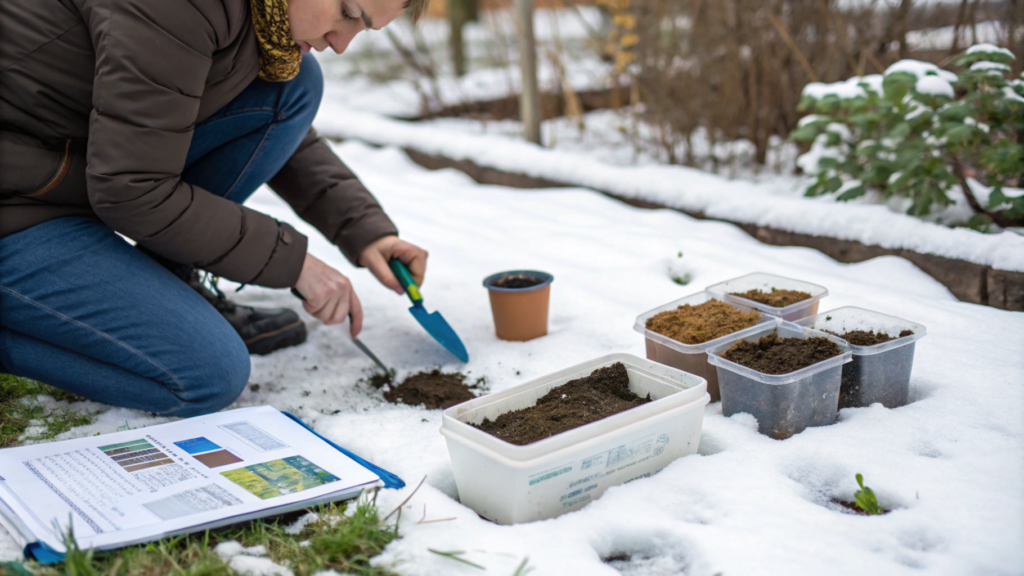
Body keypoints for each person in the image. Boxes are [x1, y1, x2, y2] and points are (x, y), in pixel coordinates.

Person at [0, 0, 430, 417]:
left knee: (293, 87)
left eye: (364, 27)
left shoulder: (250, 14)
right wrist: (294, 263)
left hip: (72, 170)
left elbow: (264, 120)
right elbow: (133, 192)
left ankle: (169, 282)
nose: (342, 43)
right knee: (206, 374)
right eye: (349, 14)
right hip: (18, 200)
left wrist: (365, 229)